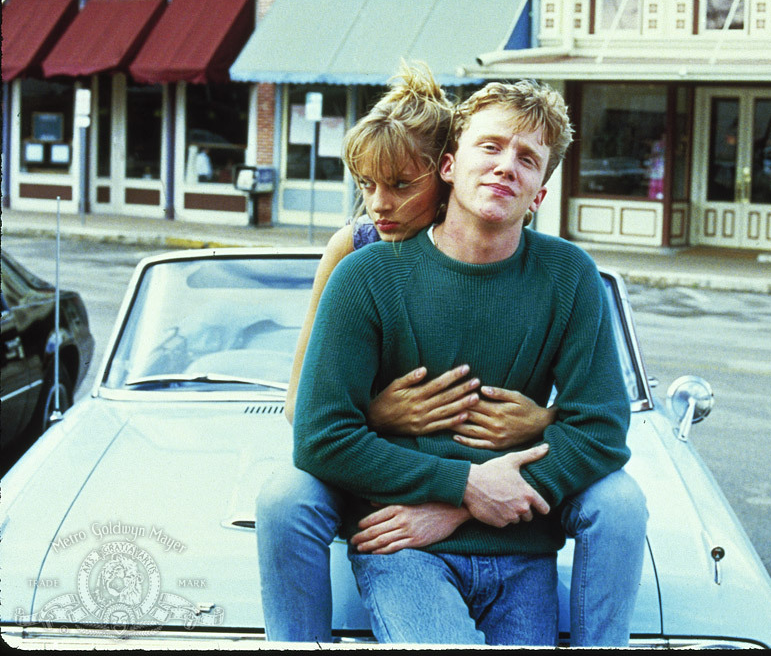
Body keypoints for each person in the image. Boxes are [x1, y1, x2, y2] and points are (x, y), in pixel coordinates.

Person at [257, 68, 646, 645]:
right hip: (402, 545)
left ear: (539, 194)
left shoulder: (570, 277)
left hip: (519, 550)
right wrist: (462, 483)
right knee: (283, 498)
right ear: (449, 166)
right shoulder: (364, 274)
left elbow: (604, 427)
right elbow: (318, 433)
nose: (505, 165)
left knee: (622, 501)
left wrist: (462, 504)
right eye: (489, 146)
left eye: (528, 159)